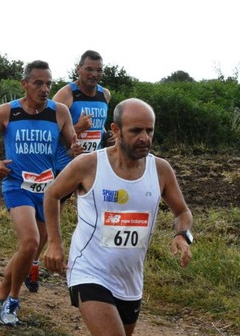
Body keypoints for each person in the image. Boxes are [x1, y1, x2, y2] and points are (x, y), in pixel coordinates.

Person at [43, 98, 194, 336]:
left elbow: (182, 212)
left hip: (130, 279)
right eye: (136, 131)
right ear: (116, 131)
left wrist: (182, 234)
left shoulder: (160, 170)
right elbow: (52, 194)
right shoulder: (88, 165)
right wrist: (54, 242)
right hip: (88, 271)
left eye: (149, 130)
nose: (144, 137)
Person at [0, 60, 81, 326]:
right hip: (17, 186)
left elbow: (71, 146)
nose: (45, 89)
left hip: (48, 190)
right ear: (24, 84)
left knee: (28, 251)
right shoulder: (7, 112)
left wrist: (76, 151)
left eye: (48, 83)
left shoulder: (59, 113)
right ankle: (11, 301)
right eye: (38, 83)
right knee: (30, 242)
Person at [24, 49, 115, 293]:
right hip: (65, 167)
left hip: (93, 167)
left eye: (98, 70)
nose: (94, 74)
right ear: (79, 69)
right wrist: (78, 127)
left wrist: (109, 136)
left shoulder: (105, 95)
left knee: (97, 217)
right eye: (89, 69)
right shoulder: (66, 94)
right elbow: (51, 131)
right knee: (51, 221)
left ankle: (93, 268)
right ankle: (32, 265)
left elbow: (101, 128)